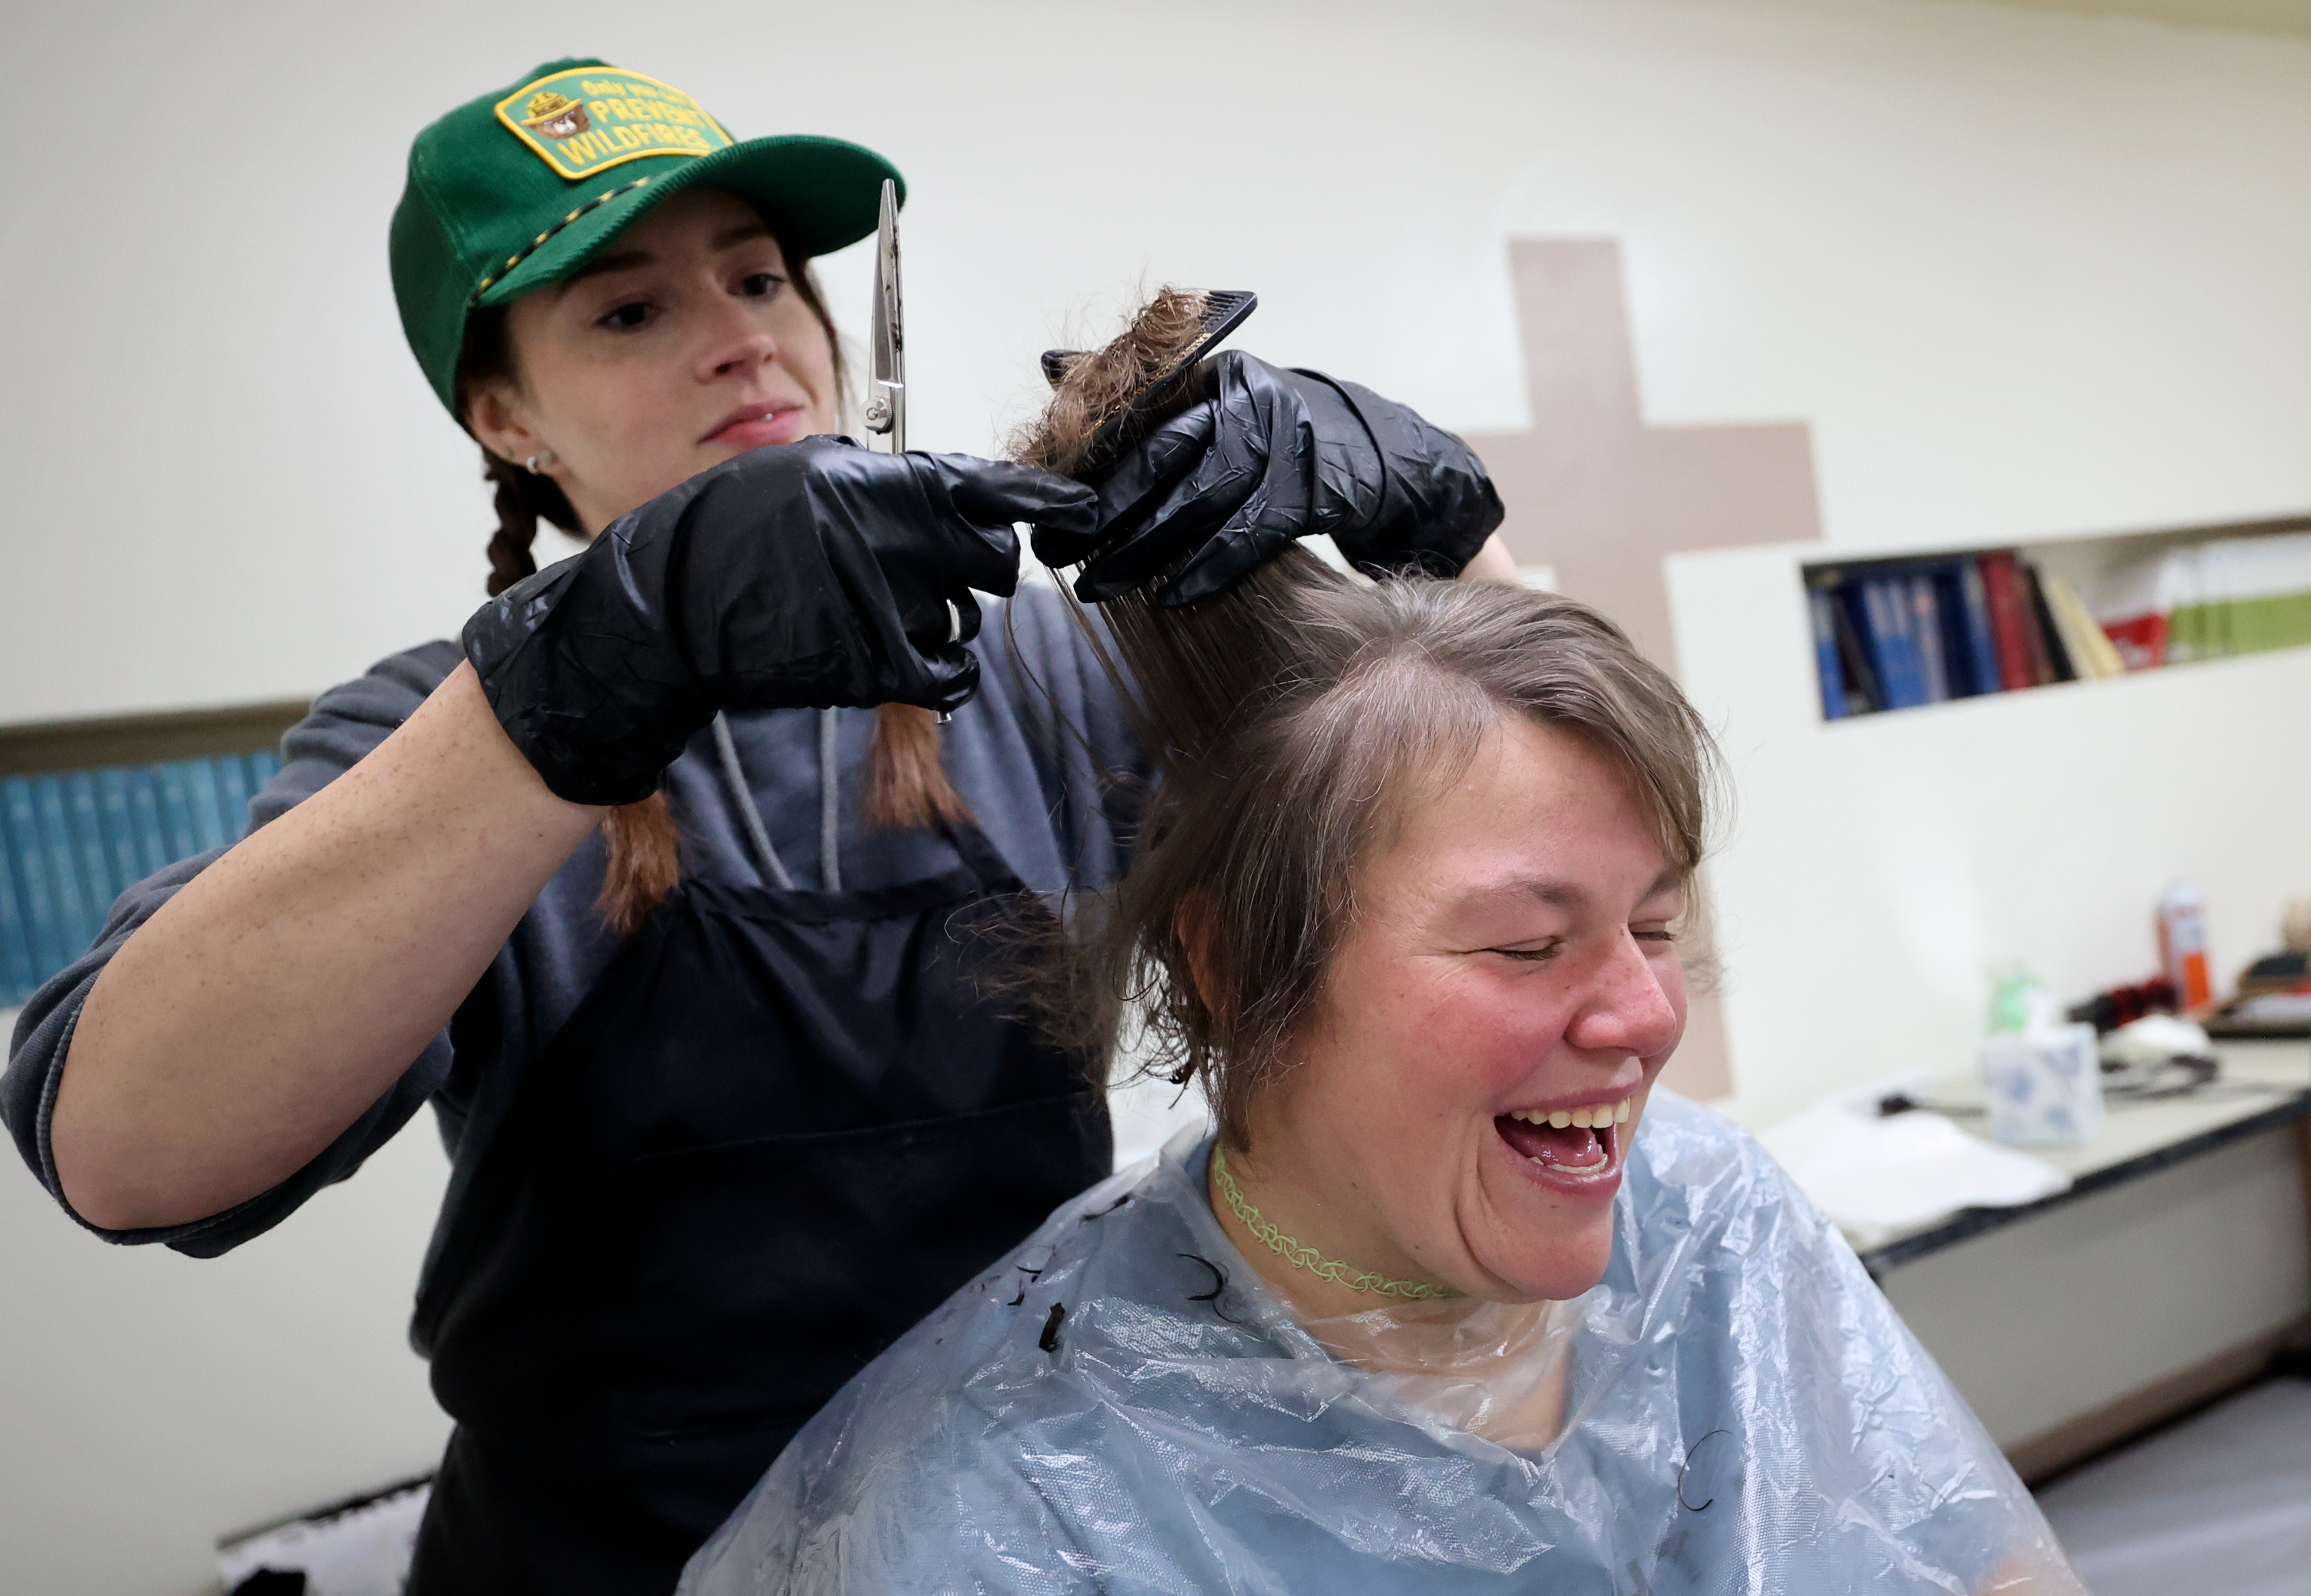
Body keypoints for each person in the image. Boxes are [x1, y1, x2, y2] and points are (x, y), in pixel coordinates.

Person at [0, 62, 1514, 1593]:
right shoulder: (433, 740)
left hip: (1007, 1544)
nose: (744, 340)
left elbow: (1550, 850)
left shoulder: (1050, 670)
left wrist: (1439, 540)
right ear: (507, 414)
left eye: (762, 276)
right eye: (630, 309)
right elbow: (125, 1152)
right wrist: (581, 671)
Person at [678, 303, 2085, 1594]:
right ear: (1232, 965)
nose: (1647, 1017)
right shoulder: (1012, 1502)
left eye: (1654, 925)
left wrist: (1460, 543)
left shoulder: (1706, 1222)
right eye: (1531, 946)